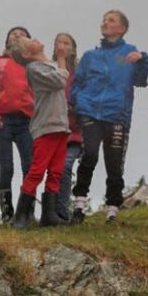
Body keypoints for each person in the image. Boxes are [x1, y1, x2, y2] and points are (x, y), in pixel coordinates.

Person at [69, 10, 148, 224]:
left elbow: (141, 81)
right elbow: (77, 83)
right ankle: (79, 204)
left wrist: (143, 59)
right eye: (104, 19)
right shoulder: (89, 56)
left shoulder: (130, 53)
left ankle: (113, 208)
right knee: (90, 155)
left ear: (122, 28)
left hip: (117, 113)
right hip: (90, 111)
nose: (105, 22)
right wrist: (79, 102)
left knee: (114, 162)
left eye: (111, 20)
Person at [7, 37, 70, 228]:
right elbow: (60, 80)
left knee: (56, 171)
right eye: (29, 41)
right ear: (27, 54)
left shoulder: (48, 65)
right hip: (46, 126)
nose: (34, 38)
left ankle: (49, 215)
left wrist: (58, 62)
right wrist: (61, 60)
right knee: (37, 171)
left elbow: (61, 78)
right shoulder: (34, 69)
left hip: (60, 124)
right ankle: (21, 215)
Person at [0, 26, 35, 223]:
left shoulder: (33, 66)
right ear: (7, 41)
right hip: (3, 121)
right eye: (14, 34)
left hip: (27, 122)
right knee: (7, 167)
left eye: (23, 35)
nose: (18, 36)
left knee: (30, 166)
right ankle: (7, 213)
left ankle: (26, 211)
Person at [52, 33, 84, 223]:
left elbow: (88, 95)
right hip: (52, 129)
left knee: (65, 167)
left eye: (66, 43)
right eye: (58, 43)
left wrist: (75, 106)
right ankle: (51, 212)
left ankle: (62, 213)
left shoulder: (81, 73)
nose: (62, 46)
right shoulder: (48, 69)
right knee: (52, 170)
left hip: (75, 131)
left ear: (73, 48)